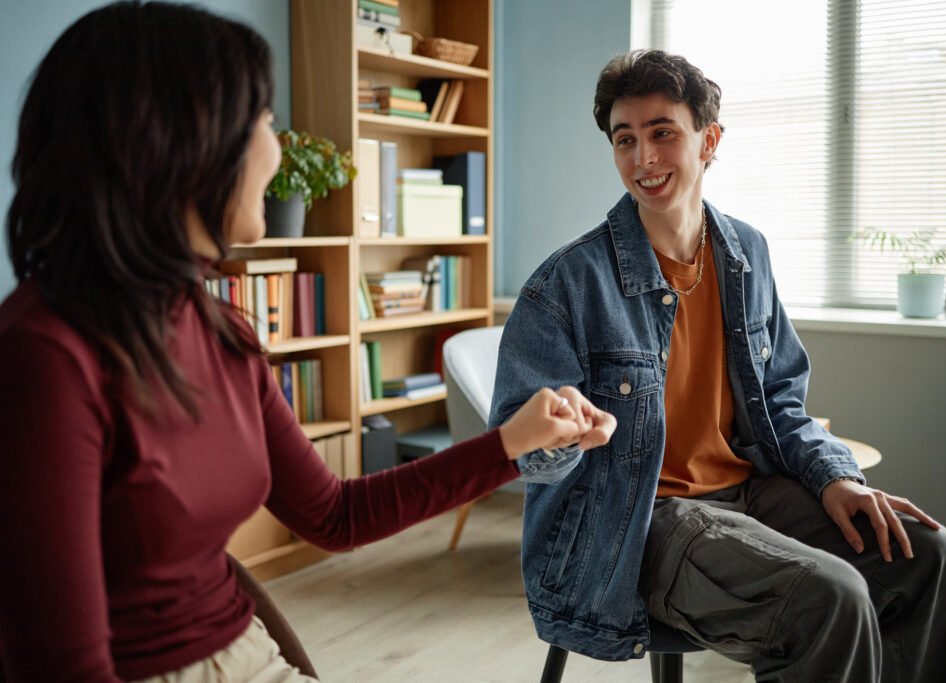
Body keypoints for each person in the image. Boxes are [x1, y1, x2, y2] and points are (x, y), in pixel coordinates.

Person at [0, 3, 617, 682]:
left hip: (248, 650)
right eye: (264, 120)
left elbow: (334, 513)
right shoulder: (45, 358)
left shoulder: (220, 331)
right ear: (182, 144)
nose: (280, 147)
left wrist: (513, 441)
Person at [490, 49, 946, 682]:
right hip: (642, 521)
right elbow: (522, 449)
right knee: (829, 597)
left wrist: (836, 479)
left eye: (662, 132)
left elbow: (780, 399)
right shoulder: (564, 286)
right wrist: (557, 436)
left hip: (748, 492)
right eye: (625, 139)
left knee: (938, 559)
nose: (644, 159)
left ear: (708, 139)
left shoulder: (746, 252)